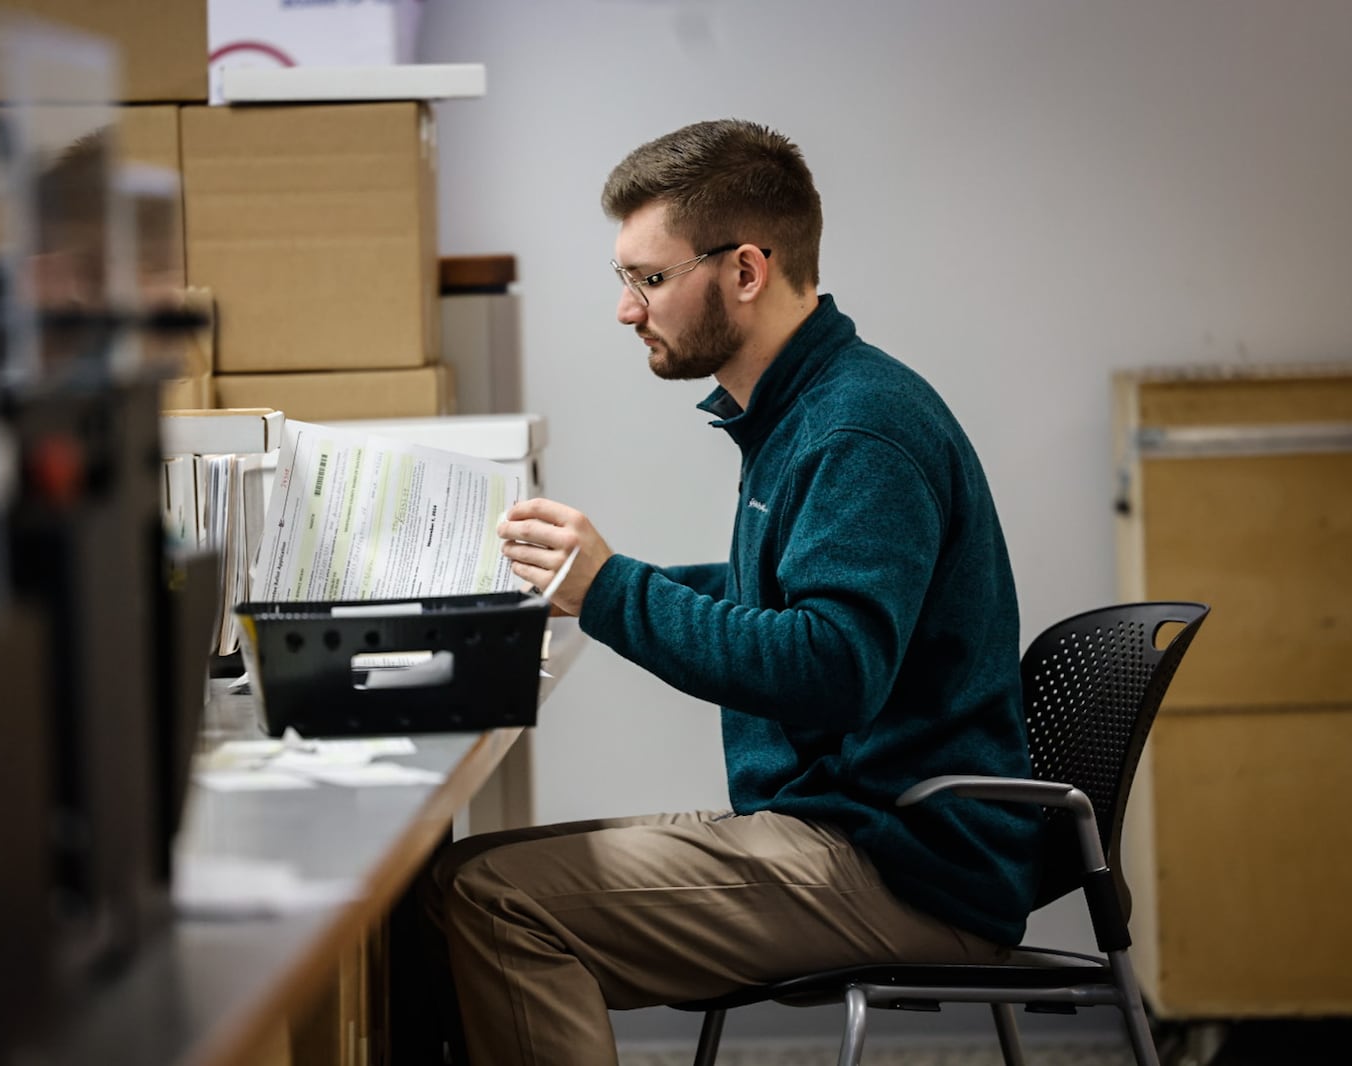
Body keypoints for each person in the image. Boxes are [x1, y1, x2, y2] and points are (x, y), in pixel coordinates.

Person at [425, 118, 1042, 1066]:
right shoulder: (807, 409)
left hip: (903, 864)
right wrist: (593, 587)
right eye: (624, 279)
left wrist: (614, 592)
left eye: (651, 278)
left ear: (746, 270)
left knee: (495, 902)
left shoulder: (856, 430)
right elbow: (786, 601)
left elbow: (833, 666)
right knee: (449, 878)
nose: (628, 310)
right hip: (857, 828)